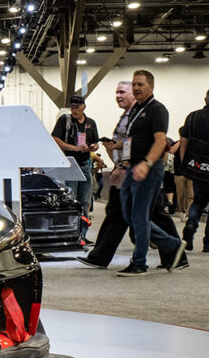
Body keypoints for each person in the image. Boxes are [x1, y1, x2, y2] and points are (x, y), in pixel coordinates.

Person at [77, 81, 186, 271]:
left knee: (141, 216)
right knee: (124, 214)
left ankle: (163, 253)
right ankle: (104, 256)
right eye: (116, 92)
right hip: (130, 171)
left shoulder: (148, 113)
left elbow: (155, 142)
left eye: (122, 92)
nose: (118, 96)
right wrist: (118, 155)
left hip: (140, 171)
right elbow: (129, 143)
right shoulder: (130, 115)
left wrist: (133, 165)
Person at [116, 70, 185, 276]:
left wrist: (146, 163)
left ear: (151, 87)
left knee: (139, 216)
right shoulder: (136, 109)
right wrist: (122, 162)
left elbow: (160, 140)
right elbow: (131, 140)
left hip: (148, 168)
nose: (136, 88)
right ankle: (173, 244)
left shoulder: (157, 110)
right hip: (132, 167)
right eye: (134, 84)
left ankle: (139, 263)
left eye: (141, 85)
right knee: (128, 214)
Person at [51, 95, 99, 241]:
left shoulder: (90, 123)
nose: (74, 110)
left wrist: (92, 147)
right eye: (72, 107)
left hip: (85, 165)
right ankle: (70, 233)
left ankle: (82, 234)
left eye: (77, 107)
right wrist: (74, 148)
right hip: (70, 164)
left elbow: (96, 143)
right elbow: (55, 139)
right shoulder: (65, 120)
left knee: (85, 202)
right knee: (72, 201)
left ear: (84, 106)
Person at [179, 88, 209, 252]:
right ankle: (208, 243)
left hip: (197, 165)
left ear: (205, 99)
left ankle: (191, 225)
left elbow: (184, 141)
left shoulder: (193, 116)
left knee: (198, 200)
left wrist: (185, 163)